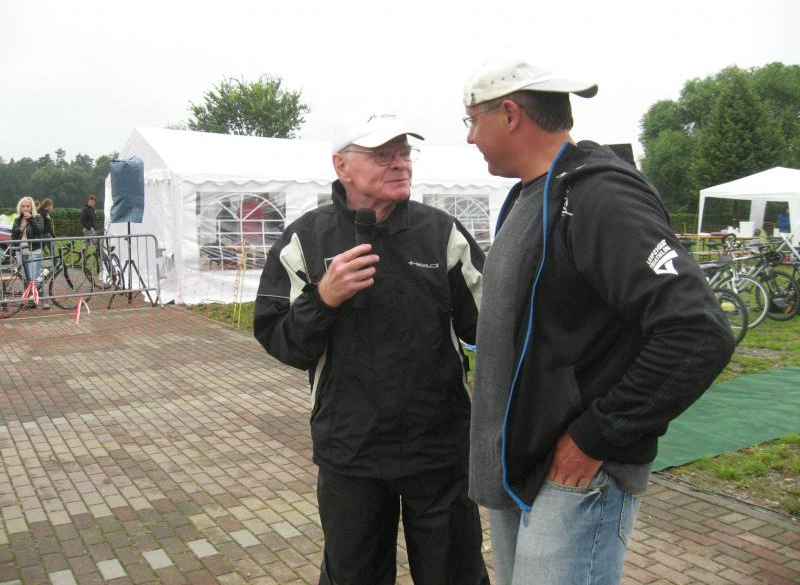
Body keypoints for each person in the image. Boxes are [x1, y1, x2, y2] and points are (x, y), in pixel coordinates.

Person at [462, 60, 736, 585]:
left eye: (473, 121)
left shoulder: (599, 197)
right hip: (524, 464)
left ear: (511, 115)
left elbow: (698, 329)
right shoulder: (532, 194)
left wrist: (597, 434)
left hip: (574, 472)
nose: (471, 137)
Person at [254, 114, 489, 585]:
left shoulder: (441, 233)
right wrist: (324, 297)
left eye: (405, 153)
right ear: (341, 166)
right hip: (350, 450)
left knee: (455, 575)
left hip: (438, 448)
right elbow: (281, 339)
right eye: (383, 155)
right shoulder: (306, 238)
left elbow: (490, 326)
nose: (400, 164)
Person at [11, 196, 48, 309]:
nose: (25, 208)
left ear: (32, 207)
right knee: (26, 279)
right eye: (23, 206)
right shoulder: (17, 220)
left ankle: (42, 300)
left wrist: (31, 219)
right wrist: (21, 227)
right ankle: (30, 300)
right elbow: (14, 236)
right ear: (20, 208)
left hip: (33, 251)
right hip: (21, 252)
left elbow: (39, 231)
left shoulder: (38, 217)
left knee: (33, 278)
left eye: (28, 206)